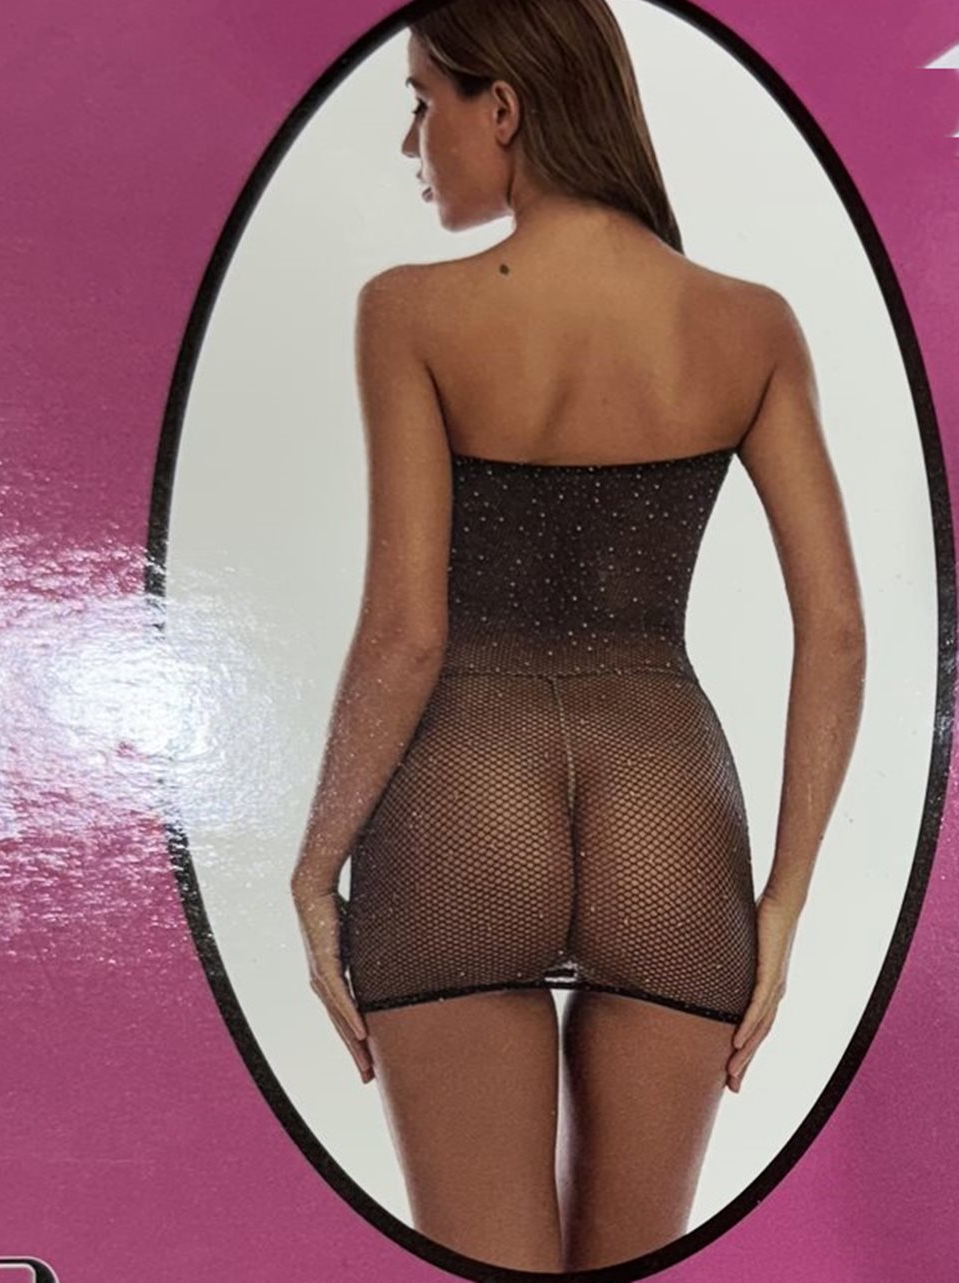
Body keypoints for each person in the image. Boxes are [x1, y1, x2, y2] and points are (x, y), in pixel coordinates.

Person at [290, 0, 866, 1271]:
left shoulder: (411, 312)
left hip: (462, 792)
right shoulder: (749, 324)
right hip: (668, 800)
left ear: (500, 107)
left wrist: (313, 864)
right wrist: (784, 899)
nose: (412, 141)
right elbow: (833, 628)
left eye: (422, 103)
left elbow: (406, 632)